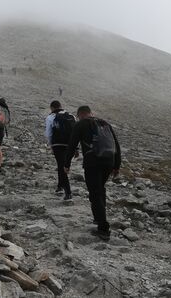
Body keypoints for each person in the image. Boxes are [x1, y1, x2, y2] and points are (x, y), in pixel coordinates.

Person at [64, 105, 121, 241]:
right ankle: (98, 217)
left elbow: (72, 144)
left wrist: (66, 164)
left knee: (95, 193)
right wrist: (116, 166)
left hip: (93, 163)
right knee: (100, 189)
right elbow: (116, 145)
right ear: (90, 113)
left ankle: (103, 229)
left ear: (80, 115)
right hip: (109, 161)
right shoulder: (104, 123)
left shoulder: (80, 125)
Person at [45, 101, 76, 200]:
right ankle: (60, 185)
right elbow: (75, 133)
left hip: (58, 145)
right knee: (62, 165)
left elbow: (49, 133)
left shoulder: (51, 117)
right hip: (69, 145)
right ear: (60, 106)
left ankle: (68, 192)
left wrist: (51, 145)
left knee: (61, 166)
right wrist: (76, 148)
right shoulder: (71, 116)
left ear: (52, 108)